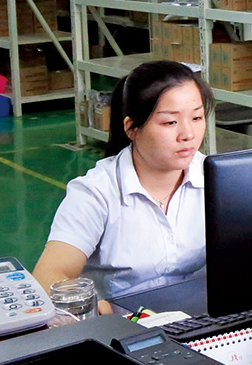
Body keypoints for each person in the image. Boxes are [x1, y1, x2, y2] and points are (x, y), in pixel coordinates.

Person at [34, 61, 214, 307]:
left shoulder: (215, 179)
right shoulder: (96, 192)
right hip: (122, 324)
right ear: (131, 128)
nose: (188, 134)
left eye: (197, 117)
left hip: (202, 319)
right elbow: (48, 276)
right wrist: (90, 306)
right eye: (170, 122)